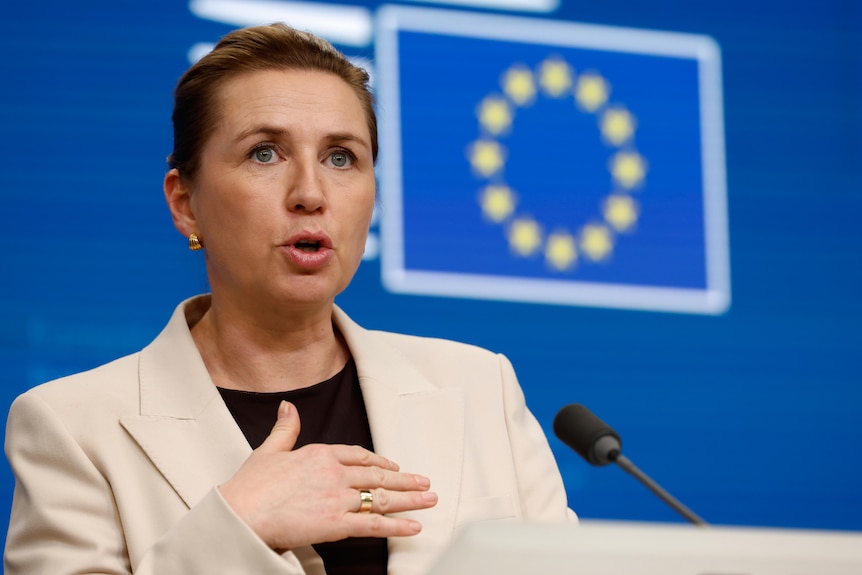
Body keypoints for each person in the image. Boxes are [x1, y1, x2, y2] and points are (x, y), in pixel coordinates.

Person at [4, 23, 575, 575]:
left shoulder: (480, 389)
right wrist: (239, 524)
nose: (310, 194)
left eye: (341, 157)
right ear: (185, 203)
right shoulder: (73, 428)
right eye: (264, 153)